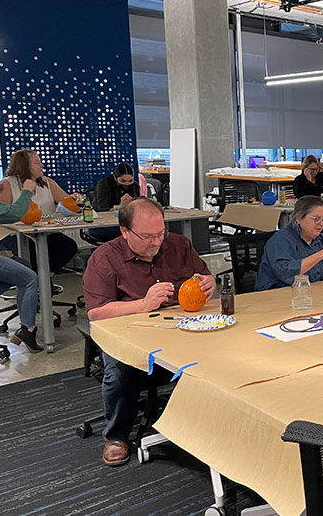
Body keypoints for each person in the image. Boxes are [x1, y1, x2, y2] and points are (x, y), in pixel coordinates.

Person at [82, 197, 215, 466]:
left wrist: (209, 283)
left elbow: (203, 276)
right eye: (147, 237)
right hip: (130, 332)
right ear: (124, 231)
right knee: (121, 370)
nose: (157, 242)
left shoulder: (178, 245)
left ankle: (207, 424)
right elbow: (96, 313)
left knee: (220, 354)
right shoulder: (105, 258)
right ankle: (117, 436)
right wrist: (142, 304)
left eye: (161, 233)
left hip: (181, 326)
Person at [0, 153, 41, 352]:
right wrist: (26, 192)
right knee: (29, 278)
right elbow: (11, 214)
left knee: (23, 267)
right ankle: (28, 328)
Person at [0, 149, 79, 272]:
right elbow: (0, 214)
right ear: (24, 165)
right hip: (13, 234)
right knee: (30, 252)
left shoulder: (47, 182)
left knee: (68, 246)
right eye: (37, 162)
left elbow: (67, 201)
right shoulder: (7, 184)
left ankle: (44, 278)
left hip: (44, 232)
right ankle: (36, 283)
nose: (42, 165)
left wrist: (76, 199)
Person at [256, 196, 323, 291]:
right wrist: (321, 254)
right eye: (316, 219)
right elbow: (286, 273)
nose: (321, 224)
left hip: (314, 294)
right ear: (299, 218)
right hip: (278, 297)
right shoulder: (280, 240)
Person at [87, 163, 142, 242]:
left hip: (124, 222)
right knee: (129, 233)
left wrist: (134, 203)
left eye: (130, 180)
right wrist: (120, 206)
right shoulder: (104, 185)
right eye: (123, 180)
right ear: (115, 177)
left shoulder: (134, 186)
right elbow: (102, 211)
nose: (126, 184)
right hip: (101, 224)